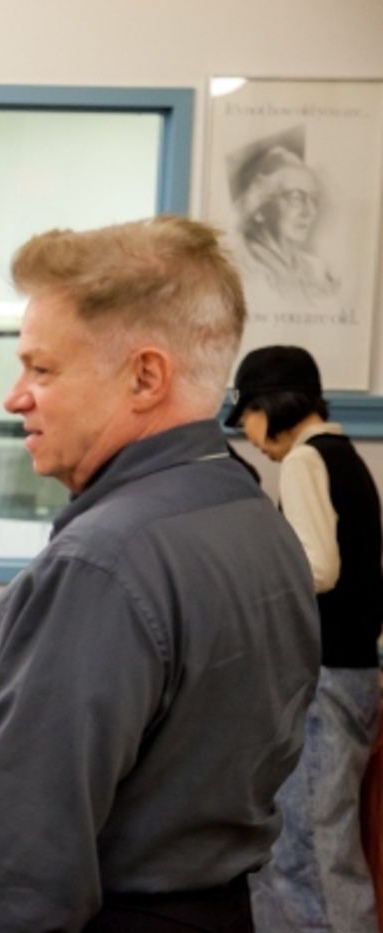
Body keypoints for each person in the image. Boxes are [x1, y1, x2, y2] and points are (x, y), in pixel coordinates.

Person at [0, 216, 321, 932]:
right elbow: (173, 693)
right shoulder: (250, 520)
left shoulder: (103, 565)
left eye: (42, 368)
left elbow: (15, 883)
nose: (13, 396)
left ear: (145, 376)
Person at [227, 344, 382, 933]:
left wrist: (256, 573)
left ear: (272, 405)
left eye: (247, 413)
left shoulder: (305, 460)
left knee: (314, 855)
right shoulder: (348, 457)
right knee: (320, 847)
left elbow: (318, 566)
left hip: (322, 678)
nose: (245, 429)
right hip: (354, 673)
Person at [230, 129, 339, 305]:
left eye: (313, 199)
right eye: (296, 197)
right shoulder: (235, 267)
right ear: (259, 209)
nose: (309, 212)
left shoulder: (318, 271)